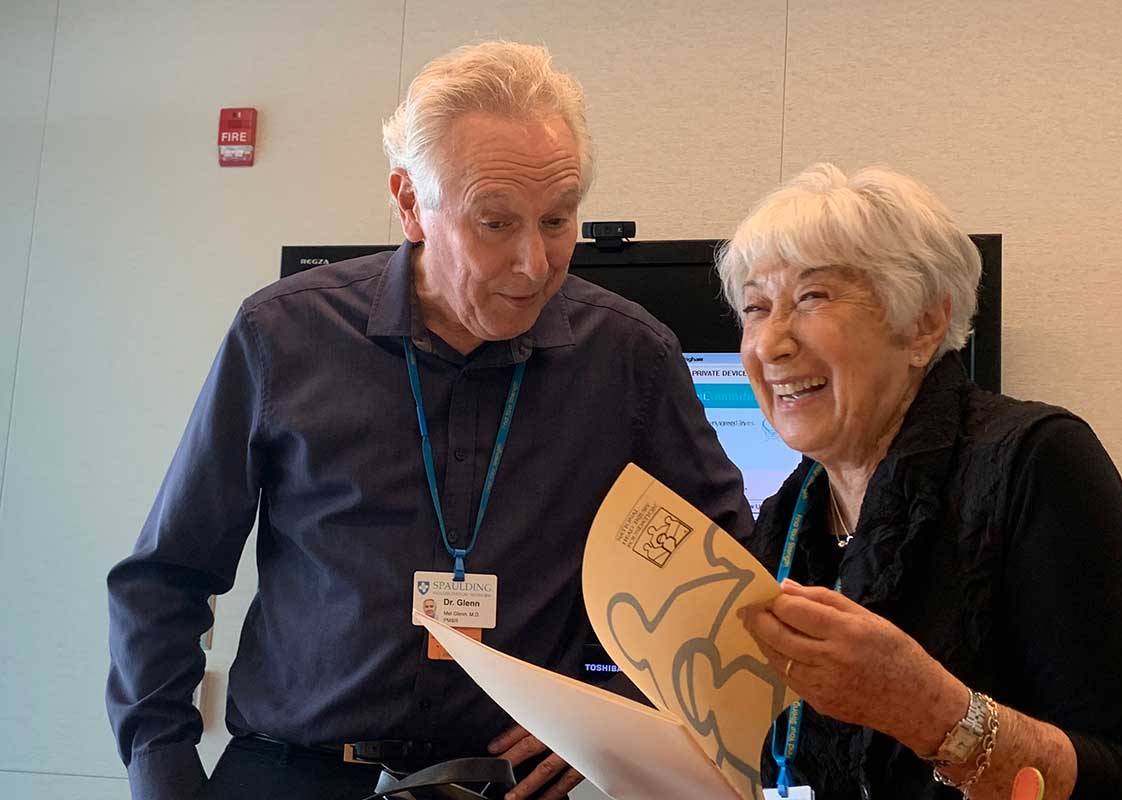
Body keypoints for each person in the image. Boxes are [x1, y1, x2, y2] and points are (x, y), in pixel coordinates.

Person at [106, 41, 750, 800]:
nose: (534, 264)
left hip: (500, 787)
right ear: (411, 203)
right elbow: (166, 577)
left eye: (557, 220)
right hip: (292, 770)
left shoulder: (629, 357)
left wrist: (612, 707)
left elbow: (724, 570)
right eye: (495, 223)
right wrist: (166, 776)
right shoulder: (283, 335)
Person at [725, 164, 1122, 799]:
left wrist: (931, 712)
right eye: (756, 308)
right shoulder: (789, 516)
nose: (771, 344)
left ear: (921, 325)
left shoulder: (1036, 462)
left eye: (813, 298)